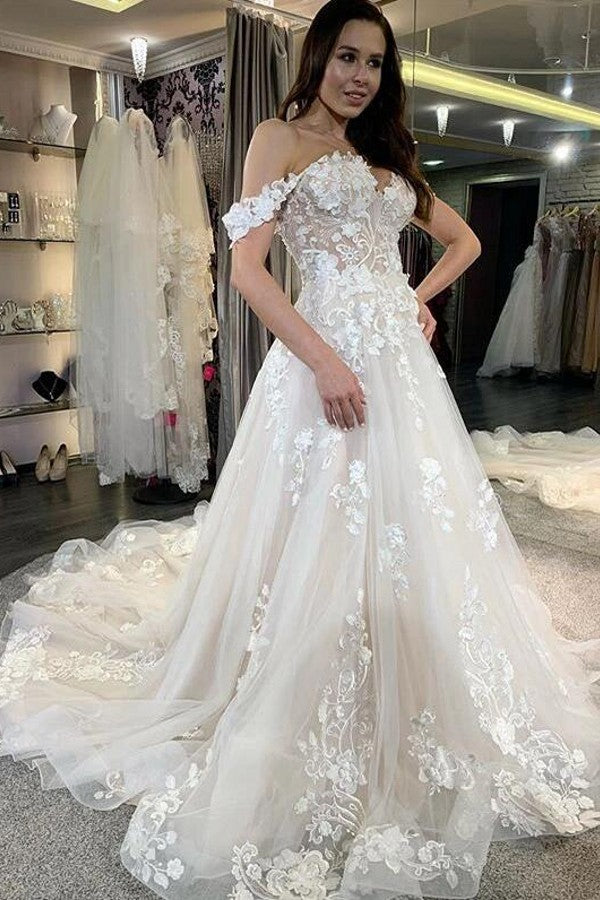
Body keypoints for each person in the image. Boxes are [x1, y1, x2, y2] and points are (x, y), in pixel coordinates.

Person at [0, 2, 599, 899]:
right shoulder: (277, 140)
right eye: (347, 57)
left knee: (413, 518)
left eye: (375, 63)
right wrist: (322, 360)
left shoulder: (390, 153)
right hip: (323, 357)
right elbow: (247, 271)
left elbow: (466, 241)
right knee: (315, 516)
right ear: (317, 57)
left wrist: (415, 298)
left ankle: (410, 663)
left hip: (396, 364)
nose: (360, 76)